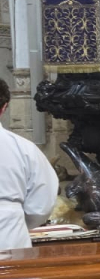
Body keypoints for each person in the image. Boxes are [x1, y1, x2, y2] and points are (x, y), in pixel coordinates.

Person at [0, 79, 58, 248]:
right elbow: (41, 207)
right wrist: (13, 216)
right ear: (4, 108)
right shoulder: (24, 149)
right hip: (8, 236)